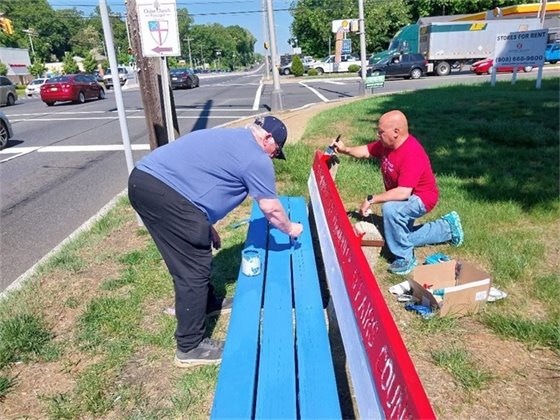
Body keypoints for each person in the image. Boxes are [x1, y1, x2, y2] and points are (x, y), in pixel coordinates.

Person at [128, 116, 303, 367]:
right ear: (267, 139)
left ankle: (207, 302)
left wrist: (204, 223)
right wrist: (291, 228)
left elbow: (196, 174)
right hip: (165, 193)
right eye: (276, 151)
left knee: (186, 249)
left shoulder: (228, 137)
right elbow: (271, 209)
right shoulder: (256, 158)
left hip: (143, 182)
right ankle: (190, 346)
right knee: (193, 267)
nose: (274, 157)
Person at [332, 110, 463, 275]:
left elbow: (403, 193)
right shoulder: (388, 144)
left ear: (396, 132)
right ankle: (447, 228)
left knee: (390, 210)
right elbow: (366, 150)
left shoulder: (411, 153)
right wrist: (345, 149)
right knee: (397, 237)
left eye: (381, 132)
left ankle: (406, 259)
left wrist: (372, 199)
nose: (377, 135)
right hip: (406, 195)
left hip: (421, 198)